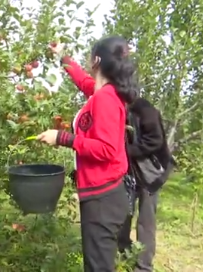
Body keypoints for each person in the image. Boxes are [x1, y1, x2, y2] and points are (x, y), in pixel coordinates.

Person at [37, 36, 139, 272]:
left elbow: (107, 149)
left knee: (97, 267)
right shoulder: (105, 92)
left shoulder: (105, 98)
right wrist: (62, 57)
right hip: (106, 194)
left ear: (97, 60)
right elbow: (84, 81)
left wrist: (62, 137)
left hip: (103, 198)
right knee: (98, 264)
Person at [117, 97, 174, 272]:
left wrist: (125, 150)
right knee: (122, 215)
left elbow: (154, 140)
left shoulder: (143, 108)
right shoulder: (113, 108)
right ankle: (125, 254)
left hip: (151, 174)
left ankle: (143, 267)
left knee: (145, 222)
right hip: (129, 173)